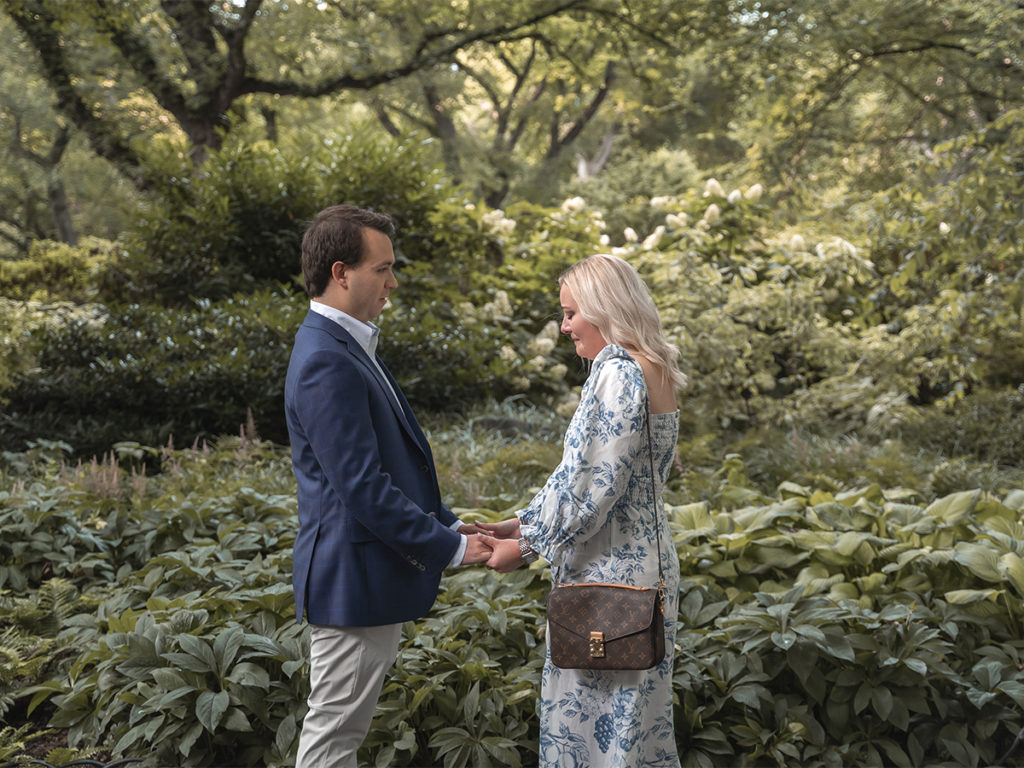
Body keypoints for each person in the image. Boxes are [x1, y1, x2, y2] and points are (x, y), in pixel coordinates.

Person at [284, 204, 493, 768]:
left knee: (337, 735)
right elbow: (362, 489)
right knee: (332, 741)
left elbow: (392, 473)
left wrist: (448, 523)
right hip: (354, 583)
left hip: (366, 578)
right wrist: (450, 548)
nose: (392, 281)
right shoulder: (326, 359)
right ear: (340, 272)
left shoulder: (347, 346)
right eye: (383, 268)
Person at [481, 253, 686, 767]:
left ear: (605, 307)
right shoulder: (651, 366)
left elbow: (594, 483)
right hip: (644, 570)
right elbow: (586, 472)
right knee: (634, 731)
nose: (564, 325)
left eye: (572, 313)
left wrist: (526, 546)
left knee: (590, 737)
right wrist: (523, 521)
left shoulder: (616, 371)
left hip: (606, 575)